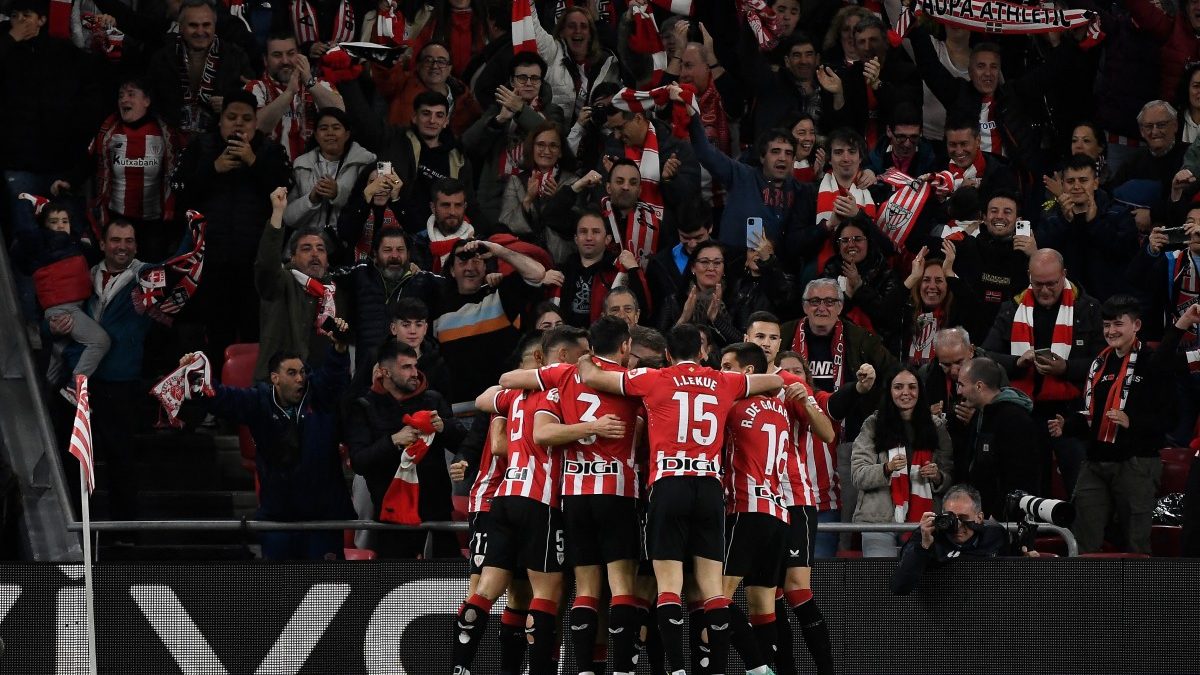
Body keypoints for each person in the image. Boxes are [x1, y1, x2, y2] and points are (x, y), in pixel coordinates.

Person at [577, 323, 784, 675]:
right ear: (703, 352)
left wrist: (583, 358)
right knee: (712, 589)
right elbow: (775, 382)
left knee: (669, 585)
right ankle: (717, 669)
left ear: (669, 355)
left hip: (670, 483)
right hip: (709, 486)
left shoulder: (653, 378)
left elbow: (596, 379)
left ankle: (676, 669)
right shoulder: (724, 381)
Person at [497, 318, 644, 675]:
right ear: (625, 347)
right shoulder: (629, 382)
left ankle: (583, 670)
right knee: (622, 585)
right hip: (617, 490)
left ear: (592, 346)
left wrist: (559, 370)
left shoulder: (564, 375)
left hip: (575, 494)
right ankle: (622, 669)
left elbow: (507, 381)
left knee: (586, 588)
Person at [456, 327, 598, 675]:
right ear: (561, 358)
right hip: (540, 499)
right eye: (582, 356)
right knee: (547, 594)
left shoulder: (514, 396)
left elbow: (482, 400)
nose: (586, 363)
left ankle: (459, 668)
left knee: (487, 589)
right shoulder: (561, 394)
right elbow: (544, 432)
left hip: (504, 498)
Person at [189, 324, 355, 560]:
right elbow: (223, 399)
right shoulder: (259, 401)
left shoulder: (319, 395)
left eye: (302, 372)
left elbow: (333, 376)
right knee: (278, 590)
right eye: (292, 373)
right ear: (275, 378)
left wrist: (339, 348)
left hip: (323, 517)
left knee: (325, 592)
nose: (300, 378)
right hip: (278, 516)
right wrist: (194, 373)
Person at [172, 90, 291, 373]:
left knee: (254, 332)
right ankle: (215, 403)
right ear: (221, 120)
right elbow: (179, 193)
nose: (239, 124)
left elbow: (285, 193)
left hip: (255, 263)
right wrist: (213, 169)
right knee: (215, 333)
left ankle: (252, 399)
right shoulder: (201, 147)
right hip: (210, 262)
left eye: (247, 119)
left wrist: (254, 162)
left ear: (256, 123)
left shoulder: (270, 150)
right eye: (232, 117)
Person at [1048, 295, 1173, 554]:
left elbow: (1170, 417)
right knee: (1082, 536)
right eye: (1106, 325)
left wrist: (1132, 422)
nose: (1111, 331)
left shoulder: (1152, 361)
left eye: (1118, 324)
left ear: (1136, 325)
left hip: (1136, 462)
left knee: (1135, 541)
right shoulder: (1099, 363)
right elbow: (1092, 414)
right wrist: (1068, 426)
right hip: (1095, 461)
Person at [982, 249, 1104, 497]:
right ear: (1029, 277)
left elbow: (1102, 362)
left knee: (1081, 489)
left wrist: (1066, 369)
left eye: (1052, 284)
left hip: (1071, 413)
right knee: (1028, 488)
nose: (1045, 291)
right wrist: (1018, 362)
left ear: (1064, 275)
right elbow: (986, 358)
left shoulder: (1088, 308)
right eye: (1038, 284)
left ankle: (1077, 535)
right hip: (1025, 411)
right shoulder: (1011, 308)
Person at [716, 342, 807, 675]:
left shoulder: (733, 409)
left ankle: (756, 668)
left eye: (728, 366)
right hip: (778, 513)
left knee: (716, 597)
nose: (721, 373)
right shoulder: (779, 411)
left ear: (748, 373)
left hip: (746, 509)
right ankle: (768, 666)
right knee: (762, 605)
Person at [343, 339, 465, 557]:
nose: (415, 373)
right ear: (385, 372)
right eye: (406, 367)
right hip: (393, 523)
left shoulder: (433, 400)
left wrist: (445, 427)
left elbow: (463, 444)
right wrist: (393, 441)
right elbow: (360, 462)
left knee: (449, 589)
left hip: (437, 516)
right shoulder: (364, 407)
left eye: (415, 365)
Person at [1, 0, 102, 240]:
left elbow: (89, 99)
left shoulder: (64, 53)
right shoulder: (5, 51)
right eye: (15, 15)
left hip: (61, 165)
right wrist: (9, 41)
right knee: (25, 236)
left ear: (42, 19)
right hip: (19, 165)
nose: (21, 21)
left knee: (68, 235)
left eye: (27, 14)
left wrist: (76, 167)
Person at [677, 82, 815, 257]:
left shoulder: (799, 190)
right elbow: (705, 152)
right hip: (731, 264)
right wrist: (692, 116)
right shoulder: (741, 175)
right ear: (762, 157)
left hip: (769, 270)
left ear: (794, 159)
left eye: (788, 153)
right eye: (775, 151)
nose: (782, 158)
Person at [55, 77, 182, 262]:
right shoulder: (108, 130)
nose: (124, 100)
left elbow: (178, 172)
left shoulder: (165, 133)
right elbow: (90, 159)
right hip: (117, 218)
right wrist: (69, 180)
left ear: (147, 101)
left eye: (131, 95)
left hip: (154, 224)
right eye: (121, 96)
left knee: (150, 273)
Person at [850, 365, 954, 558]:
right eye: (898, 387)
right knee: (879, 581)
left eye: (912, 387)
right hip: (877, 521)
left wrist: (938, 476)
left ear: (920, 391)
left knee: (922, 582)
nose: (905, 393)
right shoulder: (872, 425)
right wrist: (886, 468)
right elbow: (858, 475)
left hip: (925, 521)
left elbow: (949, 477)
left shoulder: (936, 427)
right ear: (889, 391)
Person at [11, 198, 109, 396]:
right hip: (63, 310)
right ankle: (75, 386)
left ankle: (49, 392)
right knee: (100, 341)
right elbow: (26, 229)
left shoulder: (75, 245)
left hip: (77, 308)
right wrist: (26, 202)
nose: (59, 226)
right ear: (43, 226)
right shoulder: (41, 244)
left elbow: (83, 229)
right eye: (53, 221)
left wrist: (66, 193)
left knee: (56, 367)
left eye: (64, 221)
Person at [431, 237, 546, 402]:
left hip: (502, 407)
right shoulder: (437, 310)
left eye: (477, 260)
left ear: (486, 266)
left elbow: (537, 274)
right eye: (462, 260)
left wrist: (498, 250)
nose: (470, 267)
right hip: (457, 412)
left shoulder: (500, 295)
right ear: (451, 270)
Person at [462, 51, 564, 229]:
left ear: (541, 82)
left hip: (534, 197)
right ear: (512, 81)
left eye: (535, 78)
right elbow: (468, 144)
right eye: (522, 78)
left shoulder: (553, 112)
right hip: (494, 199)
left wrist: (520, 110)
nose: (529, 83)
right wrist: (498, 120)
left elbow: (552, 136)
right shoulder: (497, 109)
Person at [254, 188, 341, 380]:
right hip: (277, 385)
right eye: (306, 249)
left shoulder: (333, 293)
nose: (315, 254)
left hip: (319, 385)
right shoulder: (281, 282)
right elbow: (267, 265)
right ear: (292, 257)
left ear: (327, 260)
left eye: (320, 249)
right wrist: (278, 214)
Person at [340, 229, 444, 388]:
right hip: (367, 377)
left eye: (400, 250)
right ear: (375, 254)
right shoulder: (360, 274)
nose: (394, 256)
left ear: (409, 254)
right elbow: (326, 277)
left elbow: (458, 285)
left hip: (413, 379)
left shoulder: (423, 281)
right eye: (387, 250)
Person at [1038, 153, 1139, 303]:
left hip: (1109, 306)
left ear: (1096, 183)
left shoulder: (1118, 213)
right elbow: (1043, 256)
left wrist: (1094, 223)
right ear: (1063, 185)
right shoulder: (1051, 217)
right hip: (1065, 305)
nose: (1077, 186)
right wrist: (1064, 222)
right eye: (1070, 181)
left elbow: (1127, 255)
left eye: (1083, 180)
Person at [146, 0, 253, 138]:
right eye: (193, 25)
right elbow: (151, 101)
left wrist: (231, 103)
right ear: (181, 26)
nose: (200, 31)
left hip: (219, 141)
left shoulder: (236, 58)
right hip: (171, 141)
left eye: (206, 25)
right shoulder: (162, 58)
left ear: (215, 25)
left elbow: (253, 99)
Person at [955, 356, 1039, 519]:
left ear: (979, 386)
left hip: (1005, 521)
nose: (959, 391)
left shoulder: (1015, 419)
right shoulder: (981, 415)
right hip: (983, 515)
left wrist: (999, 515)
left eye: (961, 385)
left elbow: (1019, 477)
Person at [244, 31, 344, 162]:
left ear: (300, 56)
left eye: (291, 54)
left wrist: (309, 81)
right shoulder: (255, 88)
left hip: (315, 173)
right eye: (277, 55)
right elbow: (254, 127)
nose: (285, 61)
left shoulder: (320, 84)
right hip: (270, 171)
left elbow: (341, 113)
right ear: (265, 60)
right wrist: (289, 93)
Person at [889, 484, 1008, 595]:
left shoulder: (994, 534)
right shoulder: (926, 535)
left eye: (963, 518)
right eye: (951, 519)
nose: (957, 526)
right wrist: (923, 547)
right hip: (937, 609)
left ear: (979, 517)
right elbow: (899, 588)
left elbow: (1011, 578)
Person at [550, 210, 650, 328]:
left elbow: (645, 309)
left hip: (607, 340)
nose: (589, 237)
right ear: (576, 239)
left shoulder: (620, 271)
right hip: (568, 340)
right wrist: (542, 279)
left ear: (607, 239)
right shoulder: (561, 271)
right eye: (583, 232)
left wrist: (634, 270)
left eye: (596, 232)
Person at [499, 121, 581, 262]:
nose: (547, 151)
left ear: (561, 152)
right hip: (525, 260)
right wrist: (527, 200)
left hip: (563, 260)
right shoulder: (516, 181)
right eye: (541, 145)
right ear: (532, 148)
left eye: (553, 146)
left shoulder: (573, 182)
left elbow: (578, 226)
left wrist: (558, 201)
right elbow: (505, 224)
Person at [284, 108, 376, 231]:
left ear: (347, 134)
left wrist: (338, 193)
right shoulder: (301, 165)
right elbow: (288, 217)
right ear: (316, 135)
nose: (330, 133)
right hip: (308, 242)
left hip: (348, 243)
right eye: (323, 128)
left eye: (336, 127)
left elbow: (372, 205)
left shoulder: (366, 162)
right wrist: (311, 199)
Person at [375, 41, 483, 136]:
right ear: (418, 65)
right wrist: (389, 61)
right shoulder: (402, 82)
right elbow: (386, 80)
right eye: (428, 60)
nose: (434, 66)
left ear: (450, 68)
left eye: (441, 61)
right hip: (404, 150)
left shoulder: (462, 94)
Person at [894, 241, 976, 366]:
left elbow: (972, 305)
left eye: (939, 281)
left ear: (948, 287)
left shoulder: (956, 315)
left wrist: (949, 272)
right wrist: (913, 277)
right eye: (926, 280)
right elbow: (884, 312)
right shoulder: (905, 312)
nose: (932, 286)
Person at [656, 240, 741, 349]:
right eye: (704, 262)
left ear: (724, 269)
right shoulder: (674, 300)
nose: (711, 268)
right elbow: (659, 345)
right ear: (693, 267)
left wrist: (716, 319)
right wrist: (683, 319)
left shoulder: (737, 298)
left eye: (717, 263)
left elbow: (743, 342)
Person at [412, 178, 474, 273]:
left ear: (465, 207)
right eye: (446, 205)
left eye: (458, 205)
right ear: (433, 207)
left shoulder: (477, 243)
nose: (452, 212)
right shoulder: (418, 243)